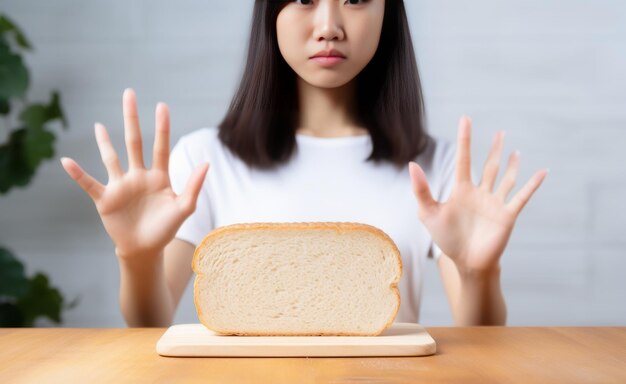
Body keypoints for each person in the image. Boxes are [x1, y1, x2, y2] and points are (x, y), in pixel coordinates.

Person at [60, 0, 548, 328]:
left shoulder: (431, 167)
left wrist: (480, 273)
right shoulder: (205, 159)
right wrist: (137, 257)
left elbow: (481, 345)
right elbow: (151, 326)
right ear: (270, 12)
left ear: (388, 15)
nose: (329, 26)